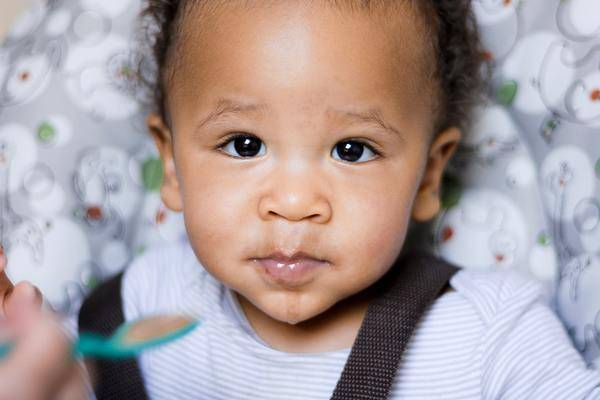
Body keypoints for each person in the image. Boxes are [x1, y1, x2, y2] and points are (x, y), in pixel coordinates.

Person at [1, 0, 600, 398]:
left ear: (426, 176)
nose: (293, 203)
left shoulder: (492, 338)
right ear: (172, 163)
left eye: (352, 150)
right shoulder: (130, 315)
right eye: (243, 143)